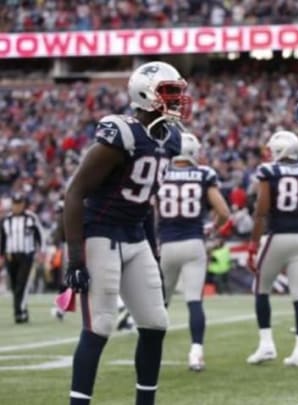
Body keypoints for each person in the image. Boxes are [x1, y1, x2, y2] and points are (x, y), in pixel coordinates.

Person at [63, 61, 188, 405]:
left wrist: (153, 249)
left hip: (135, 235)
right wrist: (75, 257)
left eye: (177, 91)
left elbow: (146, 202)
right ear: (145, 94)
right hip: (101, 236)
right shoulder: (123, 133)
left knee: (155, 323)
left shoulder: (171, 138)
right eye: (169, 92)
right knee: (99, 326)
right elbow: (74, 193)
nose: (177, 98)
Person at [157, 132, 231, 371]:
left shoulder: (161, 172)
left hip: (166, 244)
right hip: (193, 243)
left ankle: (151, 351)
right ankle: (196, 353)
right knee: (194, 302)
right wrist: (211, 228)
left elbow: (148, 210)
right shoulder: (203, 174)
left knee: (160, 303)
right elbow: (224, 212)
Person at [246, 130, 298, 368]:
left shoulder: (269, 171)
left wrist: (253, 244)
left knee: (261, 289)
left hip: (278, 236)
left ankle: (266, 344)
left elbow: (262, 209)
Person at [0, 192, 43, 324]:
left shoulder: (31, 218)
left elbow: (40, 235)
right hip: (10, 256)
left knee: (21, 284)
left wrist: (41, 252)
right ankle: (22, 311)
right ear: (12, 204)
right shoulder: (6, 220)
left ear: (23, 204)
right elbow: (3, 239)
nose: (17, 207)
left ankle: (19, 313)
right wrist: (1, 255)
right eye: (15, 204)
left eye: (19, 204)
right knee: (14, 286)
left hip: (26, 255)